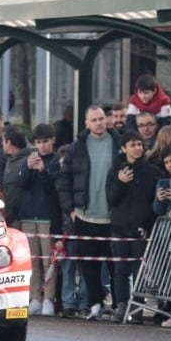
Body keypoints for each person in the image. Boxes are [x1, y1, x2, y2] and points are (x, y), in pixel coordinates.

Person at [57, 104, 119, 320]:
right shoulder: (76, 147)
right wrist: (70, 210)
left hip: (112, 216)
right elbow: (64, 181)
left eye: (102, 118)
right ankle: (95, 303)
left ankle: (119, 305)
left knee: (115, 264)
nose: (99, 123)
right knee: (88, 265)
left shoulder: (118, 143)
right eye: (94, 120)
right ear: (86, 123)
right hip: (84, 215)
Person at [8, 124, 60, 316]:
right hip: (29, 215)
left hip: (47, 217)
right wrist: (28, 169)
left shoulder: (56, 161)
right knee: (33, 260)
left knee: (49, 261)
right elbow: (22, 184)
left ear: (52, 140)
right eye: (38, 142)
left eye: (45, 142)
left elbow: (52, 189)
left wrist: (43, 171)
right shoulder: (29, 159)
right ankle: (35, 298)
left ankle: (49, 299)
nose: (42, 146)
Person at [106, 131, 158, 322]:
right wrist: (120, 183)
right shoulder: (115, 170)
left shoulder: (151, 171)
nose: (137, 148)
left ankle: (137, 307)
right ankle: (121, 304)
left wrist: (147, 224)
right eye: (133, 145)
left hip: (140, 229)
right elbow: (111, 198)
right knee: (120, 269)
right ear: (123, 148)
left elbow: (154, 202)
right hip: (119, 227)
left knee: (139, 270)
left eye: (139, 144)